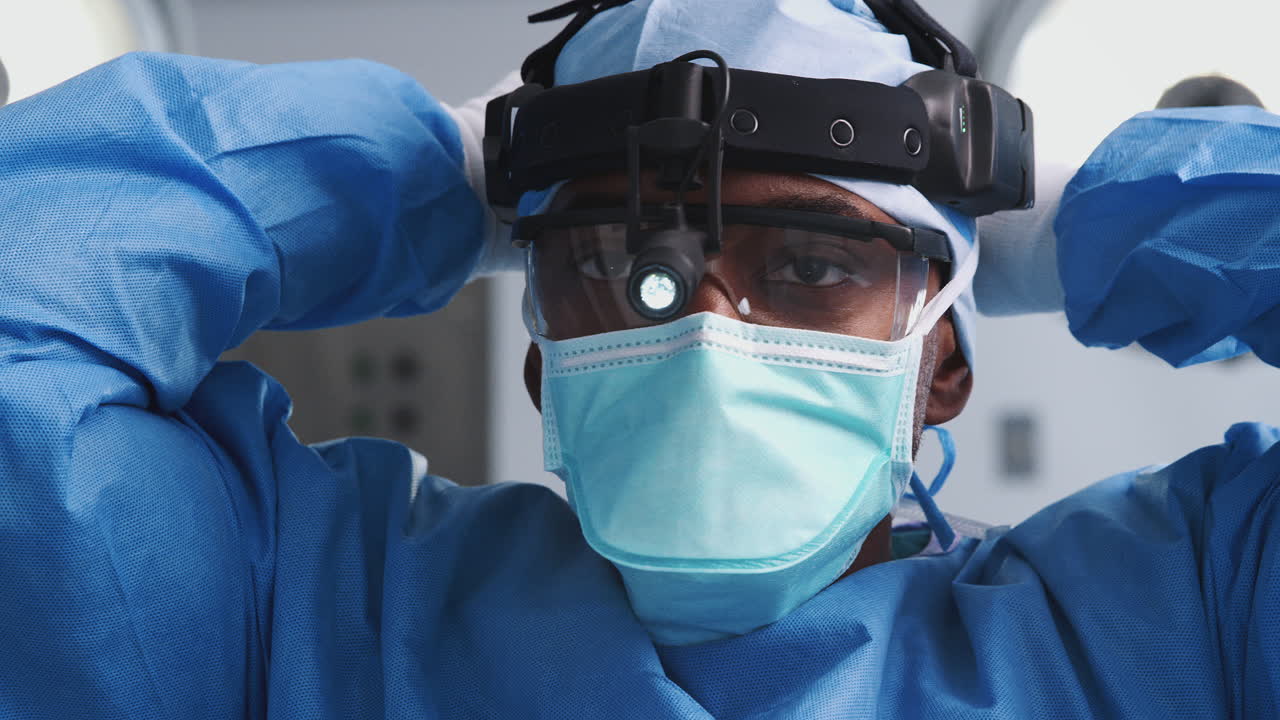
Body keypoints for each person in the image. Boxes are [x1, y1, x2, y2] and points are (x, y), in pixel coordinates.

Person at [0, 1, 1275, 718]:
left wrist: (1078, 211)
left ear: (939, 363)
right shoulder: (307, 612)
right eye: (619, 265)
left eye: (813, 265)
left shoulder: (1170, 623)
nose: (705, 337)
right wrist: (444, 171)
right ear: (542, 362)